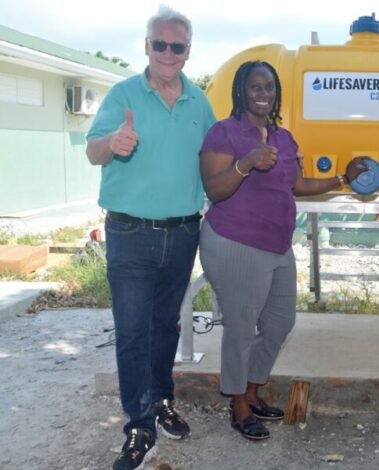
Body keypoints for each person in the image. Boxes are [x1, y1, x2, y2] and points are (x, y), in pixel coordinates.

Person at [198, 60, 368, 440]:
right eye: (255, 87)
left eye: (269, 88)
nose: (263, 94)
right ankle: (239, 405)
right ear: (241, 91)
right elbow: (215, 190)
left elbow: (297, 185)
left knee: (278, 323)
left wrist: (343, 178)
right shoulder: (223, 134)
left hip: (277, 246)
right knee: (241, 328)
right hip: (234, 243)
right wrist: (246, 163)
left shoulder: (284, 137)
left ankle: (253, 390)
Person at [86, 6, 215, 470]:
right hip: (130, 233)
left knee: (167, 327)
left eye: (176, 46)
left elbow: (213, 161)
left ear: (186, 52)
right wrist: (111, 145)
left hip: (183, 234)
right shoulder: (123, 94)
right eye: (158, 44)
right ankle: (139, 425)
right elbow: (93, 151)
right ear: (145, 47)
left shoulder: (200, 101)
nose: (167, 53)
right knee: (133, 332)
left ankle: (161, 401)